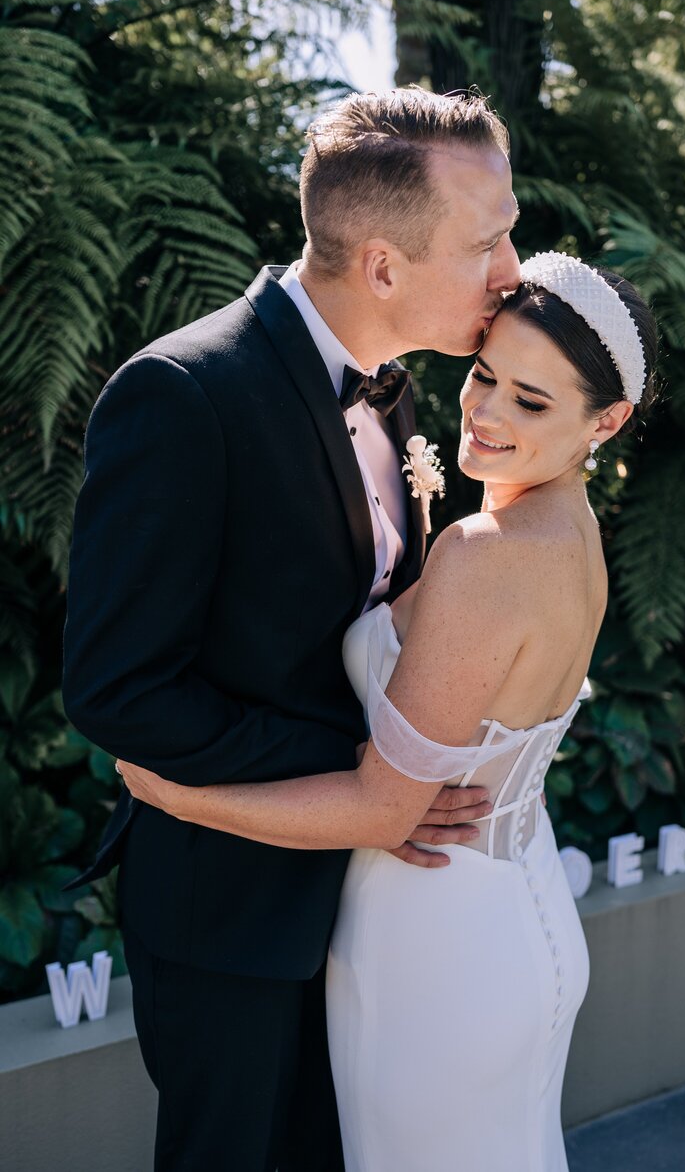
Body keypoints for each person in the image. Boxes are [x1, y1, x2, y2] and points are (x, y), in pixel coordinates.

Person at [62, 87, 521, 1171]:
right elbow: (119, 689)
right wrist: (370, 778)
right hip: (231, 916)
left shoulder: (400, 394)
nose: (511, 273)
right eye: (487, 241)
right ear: (379, 266)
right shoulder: (181, 394)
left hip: (378, 907)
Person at [119, 251, 659, 1170]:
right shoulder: (573, 531)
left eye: (531, 402)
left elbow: (383, 807)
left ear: (604, 421)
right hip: (516, 905)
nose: (485, 413)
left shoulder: (486, 554)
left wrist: (179, 797)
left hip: (435, 943)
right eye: (486, 376)